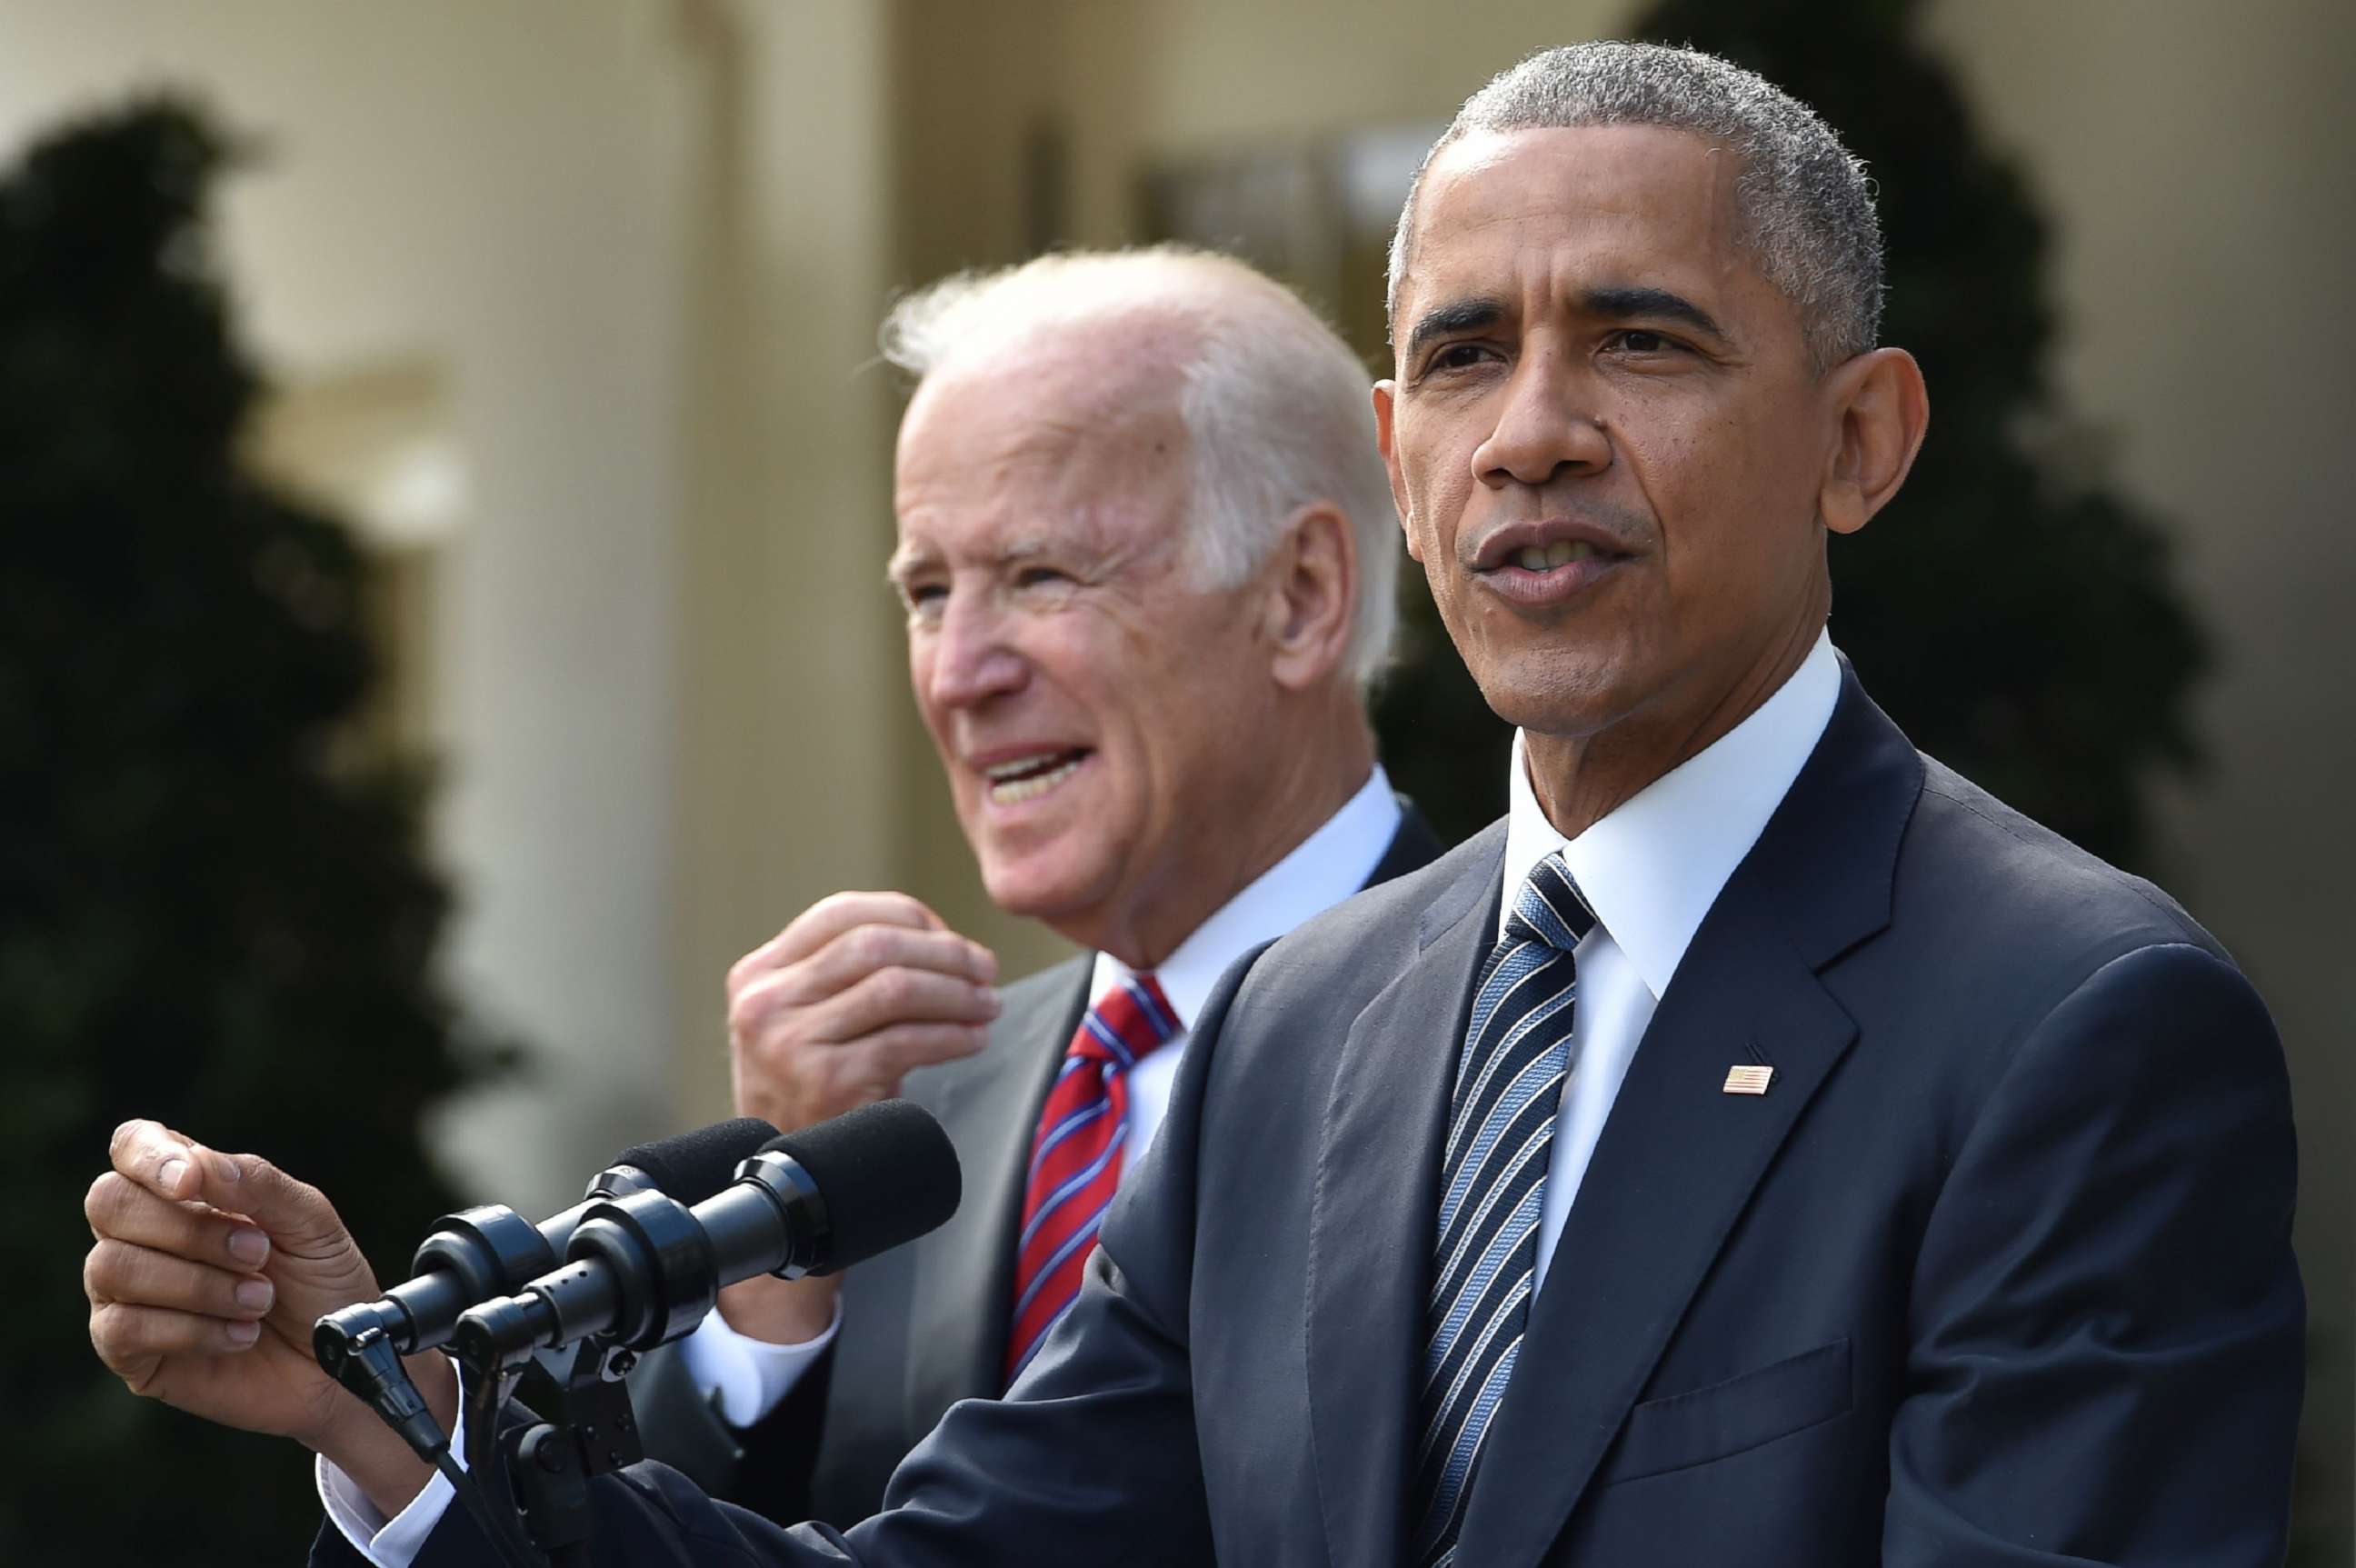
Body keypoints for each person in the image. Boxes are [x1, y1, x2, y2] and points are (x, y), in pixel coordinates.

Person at [85, 44, 2302, 1568]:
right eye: (1457, 357)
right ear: (1394, 450)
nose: (1529, 432)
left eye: (1639, 341)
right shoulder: (1296, 1036)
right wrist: (391, 1415)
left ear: (1861, 441)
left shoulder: (2072, 1019)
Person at [631, 249, 1442, 1524]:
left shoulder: (1530, 1031)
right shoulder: (898, 1116)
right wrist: (776, 1268)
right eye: (927, 591)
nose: (958, 673)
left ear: (1301, 597)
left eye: (1040, 576)